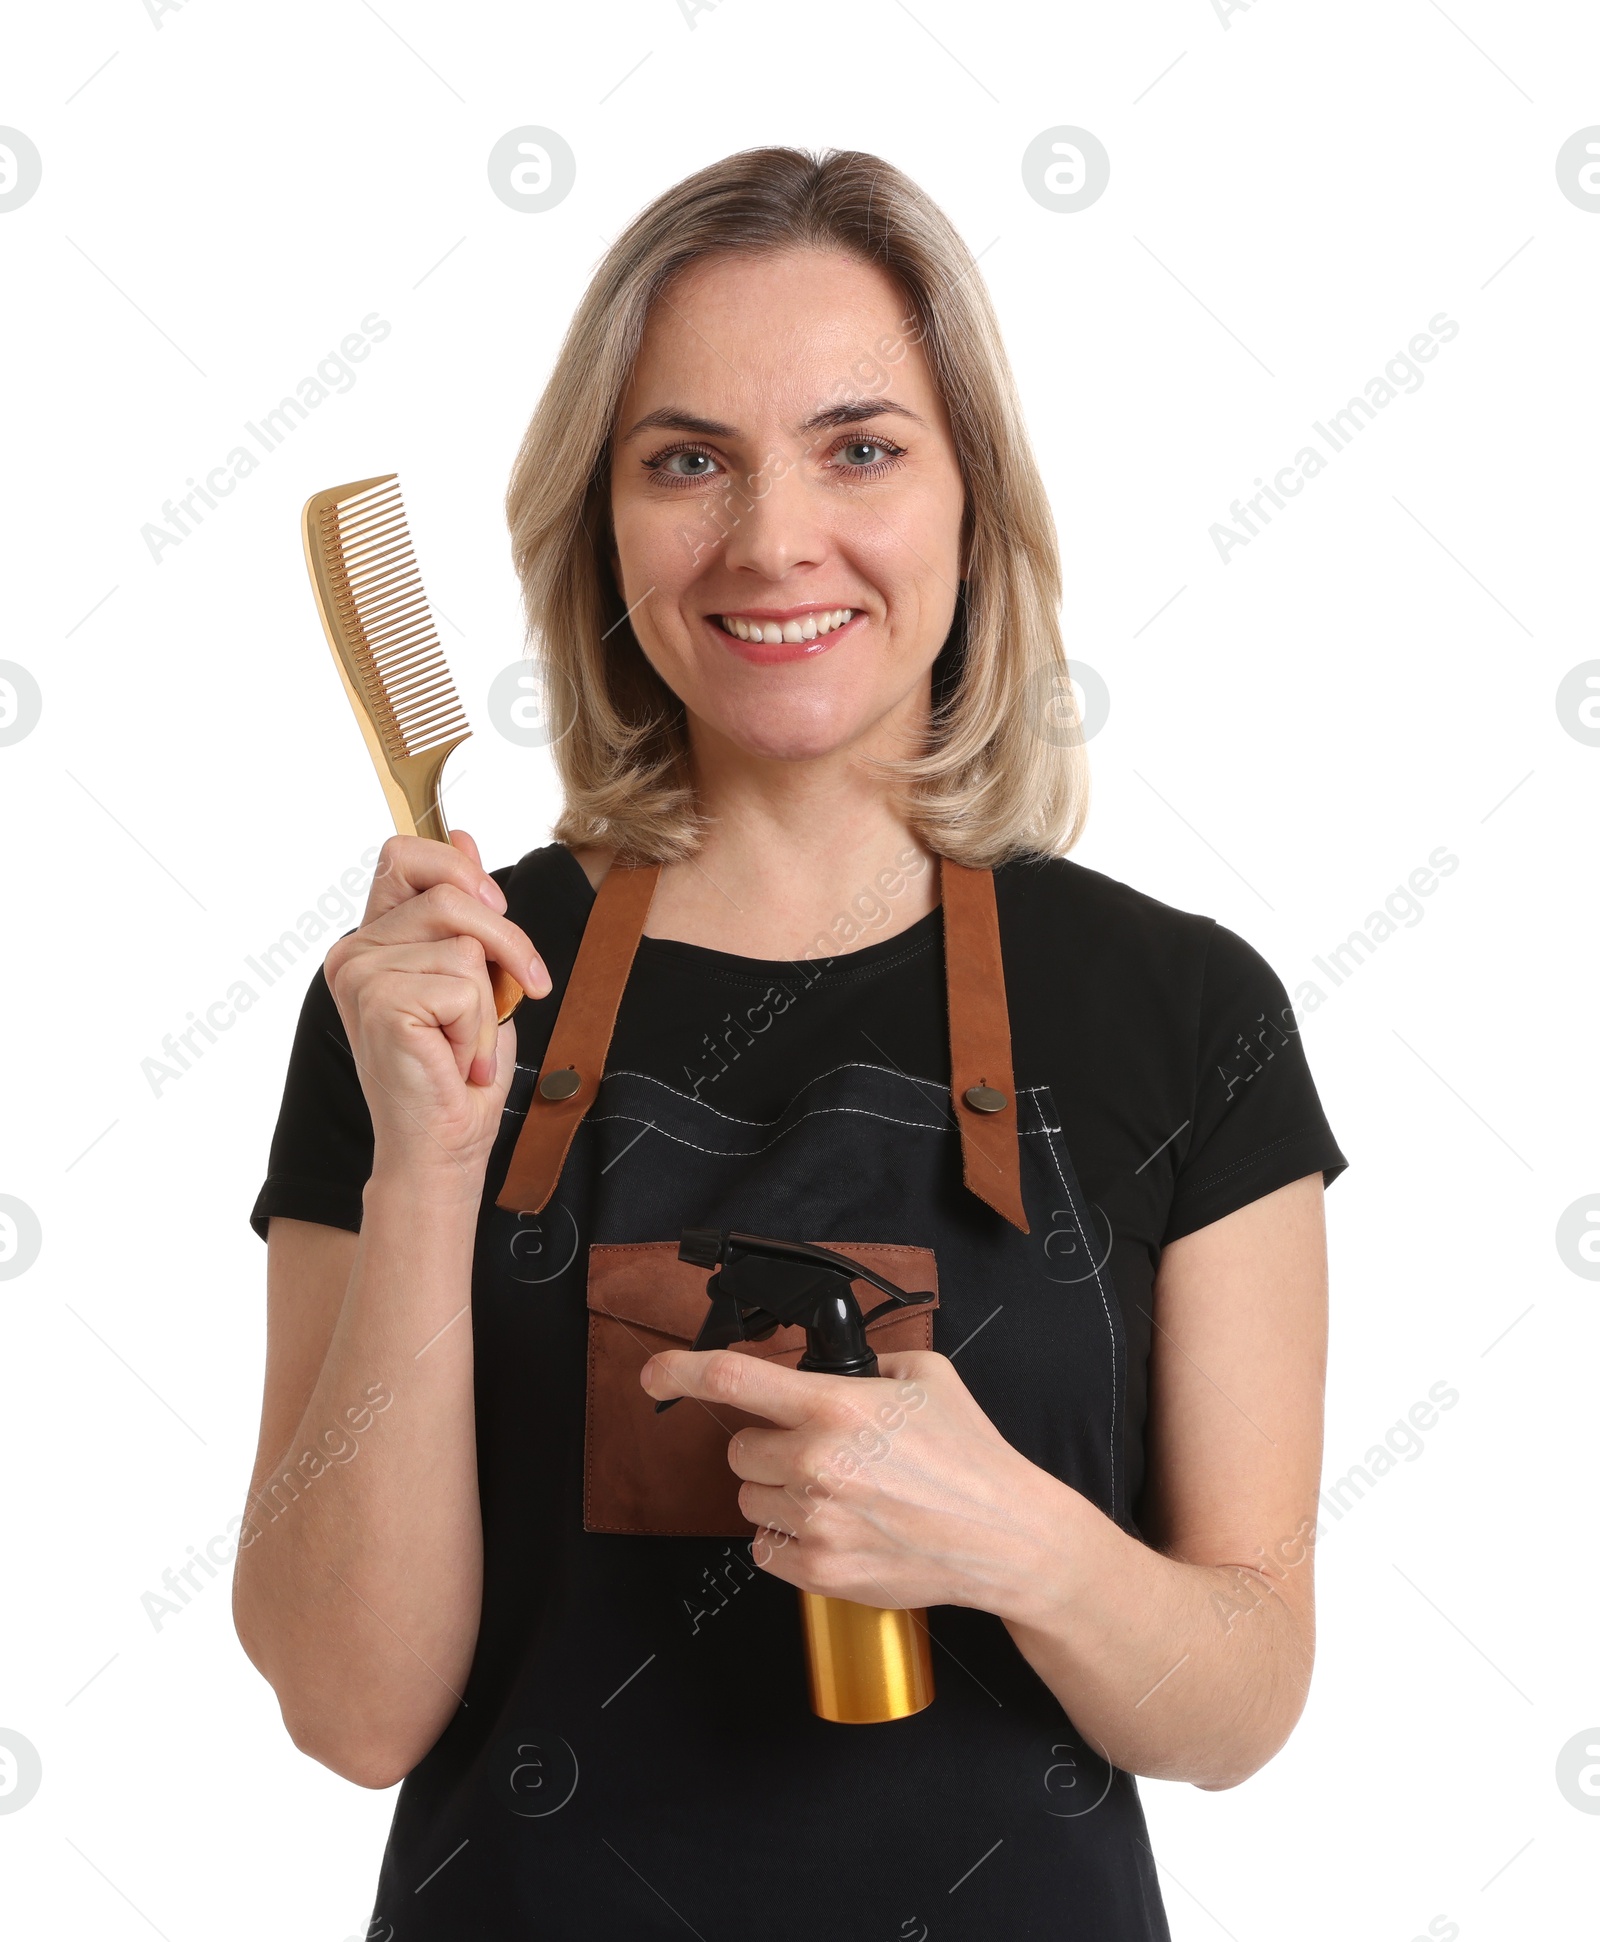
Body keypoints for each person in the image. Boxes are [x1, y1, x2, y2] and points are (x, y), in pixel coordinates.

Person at [234, 145, 1347, 1940]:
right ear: (601, 518)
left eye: (860, 447)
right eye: (688, 459)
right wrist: (433, 1166)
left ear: (972, 495)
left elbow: (1242, 1698)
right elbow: (353, 1712)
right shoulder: (429, 998)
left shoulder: (1188, 1014)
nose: (771, 540)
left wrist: (1016, 1539)